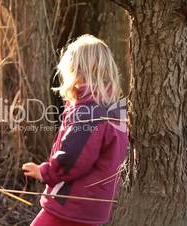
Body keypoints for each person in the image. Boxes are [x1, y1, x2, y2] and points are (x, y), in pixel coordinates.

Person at [22, 34, 128, 226]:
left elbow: (73, 157)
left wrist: (45, 172)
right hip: (95, 205)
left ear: (79, 71)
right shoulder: (113, 108)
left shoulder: (89, 111)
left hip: (72, 203)